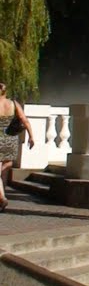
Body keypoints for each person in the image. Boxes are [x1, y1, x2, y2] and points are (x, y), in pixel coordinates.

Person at [0, 82, 34, 210]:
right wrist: (31, 136)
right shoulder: (13, 104)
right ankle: (2, 195)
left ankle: (2, 198)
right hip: (10, 140)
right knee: (5, 170)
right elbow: (24, 120)